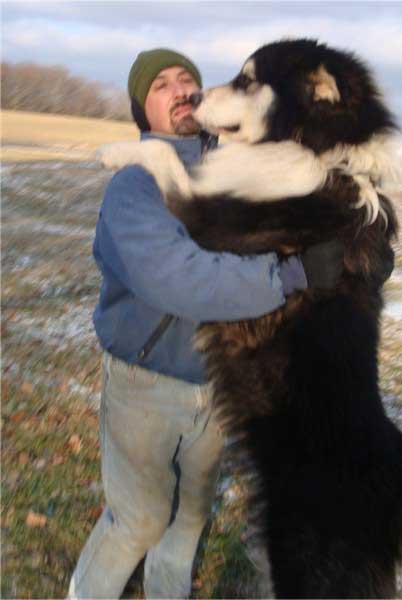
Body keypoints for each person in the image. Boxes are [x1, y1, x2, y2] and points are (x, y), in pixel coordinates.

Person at [68, 48, 346, 599]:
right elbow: (179, 278)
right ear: (141, 112)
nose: (183, 91)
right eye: (162, 86)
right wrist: (288, 276)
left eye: (189, 79)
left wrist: (359, 250)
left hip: (219, 383)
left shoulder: (237, 168)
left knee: (190, 517)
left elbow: (308, 223)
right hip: (146, 385)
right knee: (140, 521)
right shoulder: (135, 184)